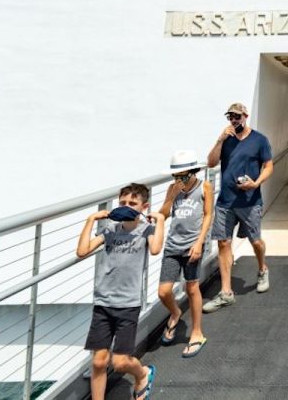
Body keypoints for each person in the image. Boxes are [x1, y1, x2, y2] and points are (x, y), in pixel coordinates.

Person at [76, 183, 164, 400]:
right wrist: (90, 221)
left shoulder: (147, 230)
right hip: (103, 301)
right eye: (122, 202)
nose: (126, 206)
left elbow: (155, 250)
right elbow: (82, 251)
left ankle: (142, 373)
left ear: (144, 206)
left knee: (120, 362)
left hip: (128, 304)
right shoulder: (109, 230)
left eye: (132, 203)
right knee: (98, 362)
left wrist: (160, 221)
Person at [203, 102, 273, 313]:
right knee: (224, 243)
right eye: (230, 117)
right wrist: (219, 140)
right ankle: (226, 293)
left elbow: (268, 165)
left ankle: (262, 269)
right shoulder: (227, 140)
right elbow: (211, 163)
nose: (234, 120)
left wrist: (256, 182)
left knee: (256, 241)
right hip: (226, 201)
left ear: (245, 116)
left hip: (250, 201)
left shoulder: (259, 140)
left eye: (237, 116)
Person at [157, 150, 213, 357]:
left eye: (181, 174)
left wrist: (199, 243)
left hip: (192, 245)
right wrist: (171, 197)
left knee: (191, 288)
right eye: (175, 175)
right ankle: (175, 312)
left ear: (191, 171)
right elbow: (162, 215)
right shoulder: (173, 188)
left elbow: (208, 215)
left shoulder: (204, 187)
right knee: (163, 291)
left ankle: (197, 332)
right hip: (173, 245)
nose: (177, 178)